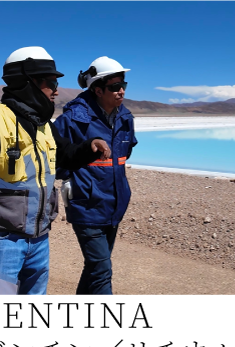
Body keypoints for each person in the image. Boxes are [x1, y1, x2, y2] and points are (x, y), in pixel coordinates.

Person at [0, 47, 112, 295]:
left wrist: (89, 148)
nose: (56, 90)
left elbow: (65, 154)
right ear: (27, 83)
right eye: (50, 82)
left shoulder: (43, 125)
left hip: (39, 241)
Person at [53, 56, 137, 295]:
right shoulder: (73, 120)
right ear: (98, 90)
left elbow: (123, 155)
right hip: (87, 206)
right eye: (114, 87)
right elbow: (55, 157)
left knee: (95, 269)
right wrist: (80, 182)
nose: (121, 91)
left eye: (123, 85)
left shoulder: (125, 118)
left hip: (114, 205)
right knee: (102, 272)